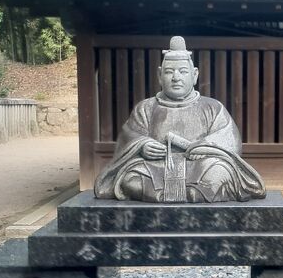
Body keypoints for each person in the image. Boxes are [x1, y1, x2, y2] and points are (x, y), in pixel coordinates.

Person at [94, 36, 266, 203]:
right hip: (157, 167)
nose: (176, 77)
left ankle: (190, 193)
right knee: (130, 178)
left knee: (221, 171)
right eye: (169, 72)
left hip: (199, 166)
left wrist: (206, 146)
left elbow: (230, 140)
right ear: (160, 75)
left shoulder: (212, 107)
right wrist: (142, 145)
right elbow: (128, 138)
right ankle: (180, 195)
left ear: (195, 74)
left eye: (183, 71)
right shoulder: (146, 108)